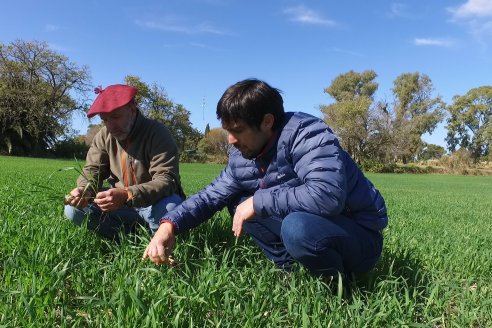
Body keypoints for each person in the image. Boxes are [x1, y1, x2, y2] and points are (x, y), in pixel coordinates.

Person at [143, 78, 387, 277]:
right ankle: (289, 270)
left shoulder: (308, 135)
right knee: (238, 200)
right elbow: (210, 196)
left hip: (357, 235)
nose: (230, 140)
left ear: (267, 121)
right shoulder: (243, 155)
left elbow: (327, 195)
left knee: (295, 226)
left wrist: (258, 202)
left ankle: (337, 286)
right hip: (311, 225)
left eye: (237, 130)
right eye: (228, 131)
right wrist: (169, 225)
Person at [64, 84, 185, 240]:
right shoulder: (104, 136)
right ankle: (129, 239)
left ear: (132, 110)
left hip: (154, 204)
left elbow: (167, 180)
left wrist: (127, 194)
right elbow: (93, 170)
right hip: (120, 207)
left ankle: (159, 243)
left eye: (115, 117)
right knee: (73, 210)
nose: (111, 126)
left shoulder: (157, 133)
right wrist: (84, 191)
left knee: (171, 207)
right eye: (105, 119)